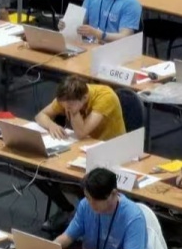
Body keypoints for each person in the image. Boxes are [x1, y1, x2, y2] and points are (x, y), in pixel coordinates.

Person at [34, 76, 127, 230]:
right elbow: (40, 116)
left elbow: (82, 132)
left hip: (111, 152)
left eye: (70, 107)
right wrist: (51, 125)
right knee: (36, 170)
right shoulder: (69, 97)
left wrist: (74, 112)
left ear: (84, 98)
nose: (66, 109)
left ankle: (87, 219)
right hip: (82, 150)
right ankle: (68, 210)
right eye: (64, 106)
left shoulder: (105, 97)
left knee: (82, 180)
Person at [76, 0, 142, 43]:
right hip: (88, 44)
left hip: (113, 47)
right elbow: (79, 21)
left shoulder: (131, 3)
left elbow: (125, 37)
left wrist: (100, 35)